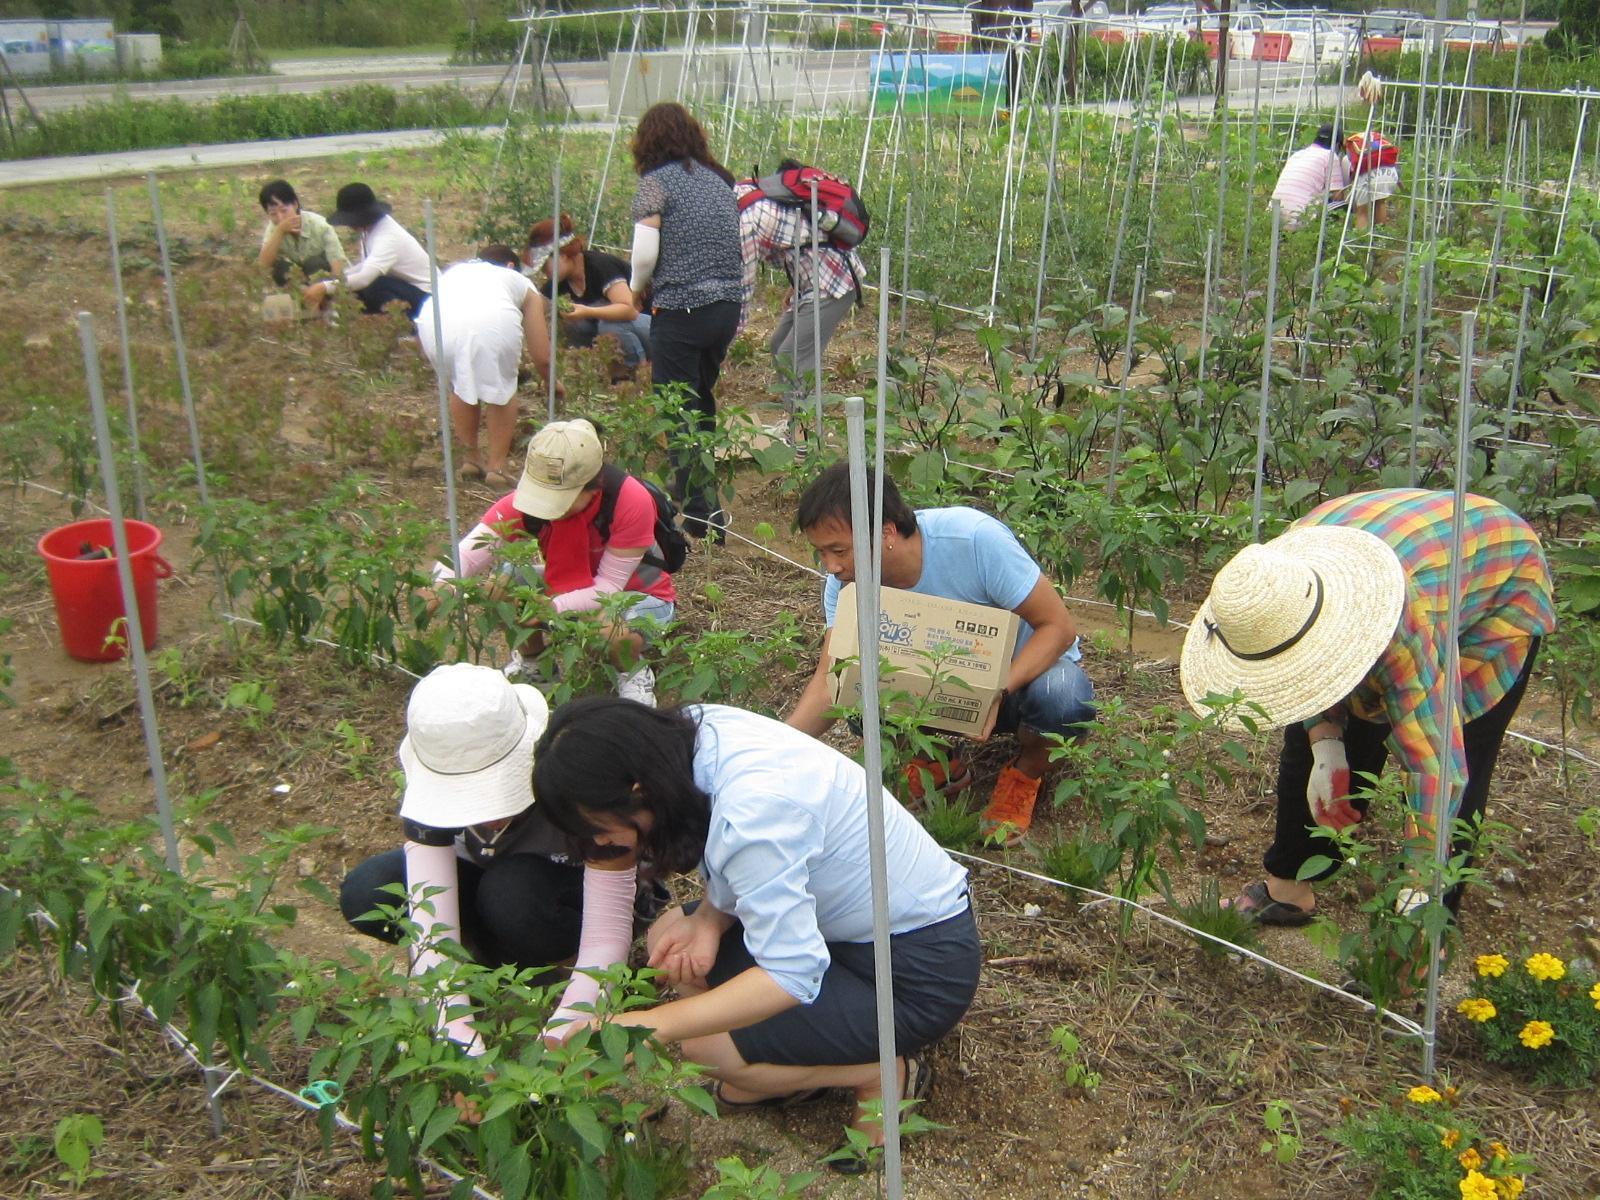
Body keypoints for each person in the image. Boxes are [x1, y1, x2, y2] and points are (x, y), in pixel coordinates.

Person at [533, 698, 980, 1173]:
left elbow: (792, 973)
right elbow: (769, 862)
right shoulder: (692, 737)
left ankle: (879, 1074)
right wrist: (710, 918)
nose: (601, 843)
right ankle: (787, 1068)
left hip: (916, 973)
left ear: (637, 790)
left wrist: (644, 1026)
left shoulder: (752, 812)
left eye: (600, 829)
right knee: (674, 939)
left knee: (705, 1049)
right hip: (847, 931)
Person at [1179, 489, 1555, 928]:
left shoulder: (1400, 625)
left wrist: (1421, 877)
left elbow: (1437, 766)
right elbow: (1305, 678)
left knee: (1462, 751)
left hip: (1499, 574)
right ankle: (1289, 890)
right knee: (1320, 736)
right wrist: (1326, 746)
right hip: (1414, 547)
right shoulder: (1281, 576)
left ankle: (1422, 934)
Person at [338, 663, 665, 1054]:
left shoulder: (575, 776)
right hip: (487, 882)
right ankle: (483, 966)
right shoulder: (439, 766)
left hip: (567, 899)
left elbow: (606, 926)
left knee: (511, 892)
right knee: (370, 890)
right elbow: (430, 914)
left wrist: (571, 1025)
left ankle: (563, 970)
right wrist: (454, 1032)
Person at [785, 464, 1095, 843]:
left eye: (839, 551)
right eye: (821, 552)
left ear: (886, 532)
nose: (831, 567)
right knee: (854, 688)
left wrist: (996, 690)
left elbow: (1058, 628)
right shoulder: (847, 586)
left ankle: (1024, 775)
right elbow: (829, 679)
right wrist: (778, 746)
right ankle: (936, 765)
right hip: (930, 692)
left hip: (1016, 685)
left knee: (1064, 698)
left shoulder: (973, 541)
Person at [429, 419, 676, 707]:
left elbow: (609, 588)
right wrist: (441, 583)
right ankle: (535, 666)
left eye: (560, 499)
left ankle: (632, 672)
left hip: (640, 596)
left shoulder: (630, 500)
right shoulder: (526, 505)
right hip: (569, 591)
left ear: (592, 486)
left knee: (607, 625)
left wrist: (552, 608)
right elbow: (468, 554)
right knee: (505, 581)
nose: (547, 508)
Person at [625, 102, 744, 541]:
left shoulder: (655, 184)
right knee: (701, 401)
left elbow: (643, 256)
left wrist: (635, 288)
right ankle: (696, 487)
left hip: (681, 308)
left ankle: (701, 517)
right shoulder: (718, 181)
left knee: (677, 410)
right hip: (726, 307)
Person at [735, 162, 866, 446]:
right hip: (812, 281)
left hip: (832, 284)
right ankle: (796, 424)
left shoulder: (746, 220)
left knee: (793, 356)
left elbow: (744, 285)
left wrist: (730, 336)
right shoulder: (746, 191)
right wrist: (795, 284)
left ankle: (806, 437)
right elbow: (803, 235)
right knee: (778, 346)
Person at [416, 244, 558, 488]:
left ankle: (471, 459)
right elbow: (542, 354)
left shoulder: (454, 272)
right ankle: (497, 467)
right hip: (491, 324)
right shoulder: (520, 282)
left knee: (460, 383)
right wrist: (551, 382)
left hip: (433, 326)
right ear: (511, 266)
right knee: (502, 389)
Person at [525, 213, 652, 376]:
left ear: (562, 256)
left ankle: (636, 372)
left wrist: (587, 311)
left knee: (609, 324)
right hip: (633, 332)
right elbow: (535, 306)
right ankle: (595, 372)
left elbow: (629, 310)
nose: (544, 272)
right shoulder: (560, 281)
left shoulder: (599, 266)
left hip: (655, 328)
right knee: (575, 323)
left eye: (545, 265)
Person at [312, 182, 433, 319]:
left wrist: (325, 287)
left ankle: (405, 322)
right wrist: (334, 280)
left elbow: (365, 278)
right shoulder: (370, 231)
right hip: (407, 288)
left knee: (375, 285)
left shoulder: (387, 237)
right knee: (355, 289)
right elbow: (365, 266)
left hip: (428, 298)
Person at [255, 179, 347, 309]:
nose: (281, 218)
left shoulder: (320, 225)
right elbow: (263, 265)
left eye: (284, 211)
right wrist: (280, 232)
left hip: (323, 282)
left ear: (295, 204)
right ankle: (305, 303)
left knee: (314, 263)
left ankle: (323, 305)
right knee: (280, 267)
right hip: (298, 285)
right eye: (273, 214)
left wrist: (331, 289)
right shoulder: (274, 229)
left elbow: (337, 264)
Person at [1269, 123, 1348, 231]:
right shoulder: (1330, 156)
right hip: (1299, 220)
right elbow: (1337, 196)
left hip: (1272, 218)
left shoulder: (1297, 155)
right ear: (1338, 145)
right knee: (1337, 205)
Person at [1344, 129, 1402, 229]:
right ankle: (1380, 233)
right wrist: (1402, 187)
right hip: (1389, 174)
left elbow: (1352, 172)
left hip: (1369, 176)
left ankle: (1360, 237)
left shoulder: (1350, 146)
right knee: (1380, 203)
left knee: (1362, 211)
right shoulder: (1379, 139)